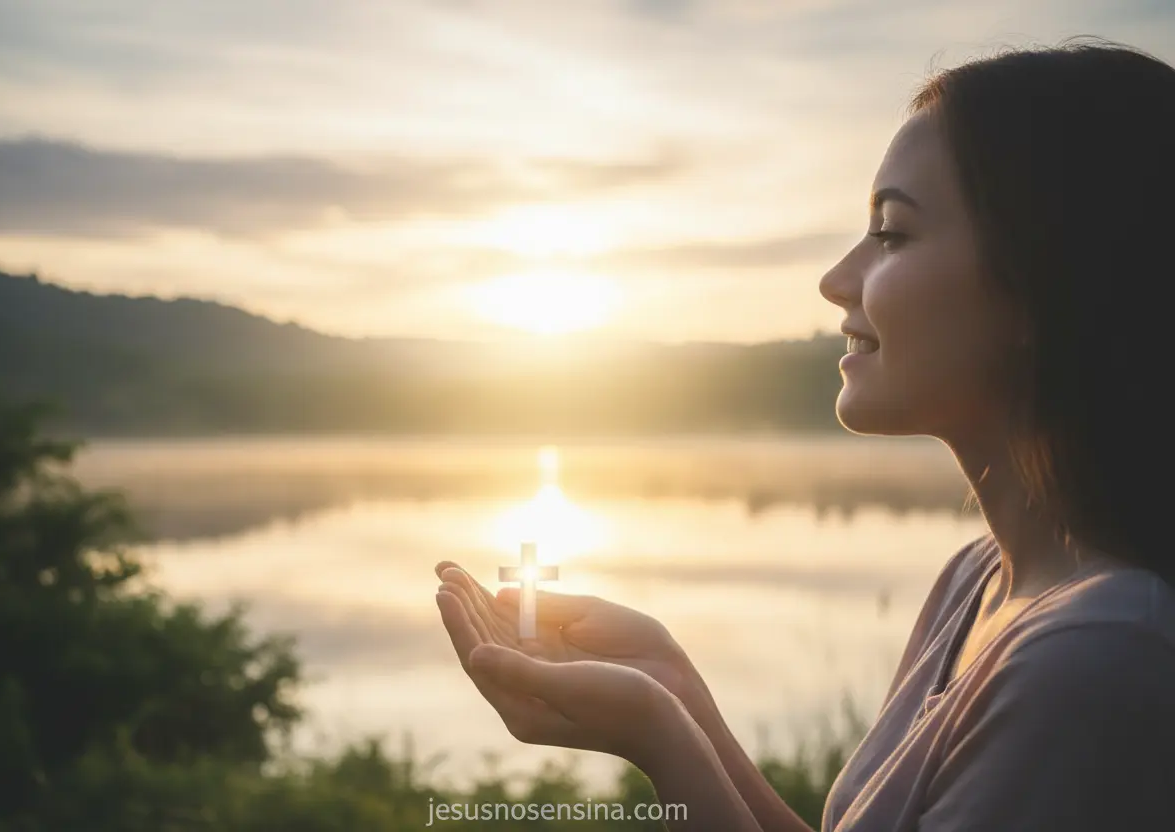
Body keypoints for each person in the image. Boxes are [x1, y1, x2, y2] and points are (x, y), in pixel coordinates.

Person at [433, 37, 1175, 831]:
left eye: (891, 233)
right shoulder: (978, 582)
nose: (835, 280)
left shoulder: (1098, 655)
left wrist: (659, 734)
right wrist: (679, 702)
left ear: (1043, 280)